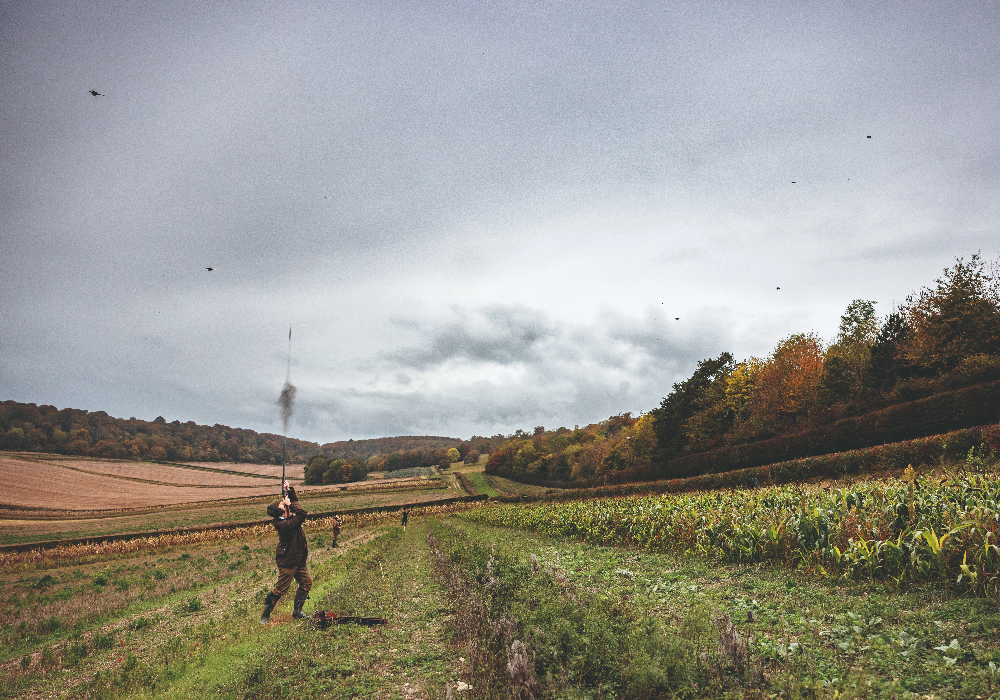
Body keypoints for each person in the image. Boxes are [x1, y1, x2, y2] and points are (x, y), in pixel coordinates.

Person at [260, 480, 312, 624]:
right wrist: (290, 504)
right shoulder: (283, 525)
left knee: (306, 583)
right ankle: (265, 617)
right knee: (280, 590)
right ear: (280, 511)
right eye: (283, 504)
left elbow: (293, 502)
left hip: (299, 559)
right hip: (288, 561)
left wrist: (288, 490)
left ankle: (297, 612)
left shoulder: (287, 517)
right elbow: (302, 513)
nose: (285, 503)